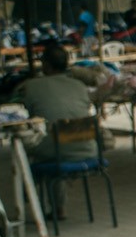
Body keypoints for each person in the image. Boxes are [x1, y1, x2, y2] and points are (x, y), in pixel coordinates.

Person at [20, 45, 96, 216]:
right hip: (89, 147)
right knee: (54, 143)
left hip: (58, 147)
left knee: (29, 148)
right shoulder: (79, 85)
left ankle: (26, 194)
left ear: (45, 65)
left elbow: (34, 116)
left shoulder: (32, 86)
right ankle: (58, 206)